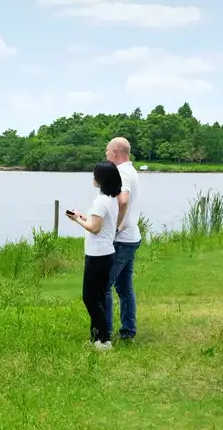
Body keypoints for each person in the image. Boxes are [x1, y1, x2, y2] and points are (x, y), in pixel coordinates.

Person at [67, 160, 122, 351]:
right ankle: (96, 339)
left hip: (97, 255)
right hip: (106, 254)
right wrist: (84, 218)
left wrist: (77, 220)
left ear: (101, 179)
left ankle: (105, 339)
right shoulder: (111, 199)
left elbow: (95, 228)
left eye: (95, 174)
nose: (93, 177)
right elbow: (100, 224)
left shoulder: (100, 202)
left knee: (89, 298)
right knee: (98, 297)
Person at [104, 137, 142, 340]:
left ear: (116, 153)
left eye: (108, 151)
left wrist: (115, 226)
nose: (106, 154)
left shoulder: (121, 172)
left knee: (104, 286)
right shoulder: (132, 170)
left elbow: (123, 199)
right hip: (132, 236)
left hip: (122, 239)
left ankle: (104, 333)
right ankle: (128, 331)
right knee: (124, 287)